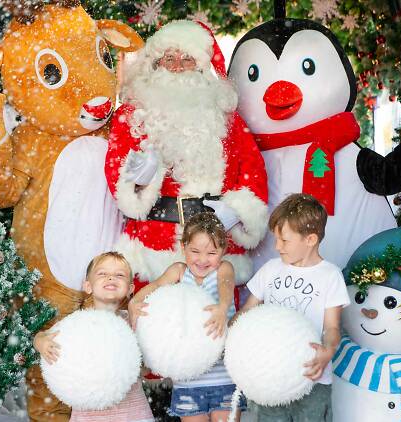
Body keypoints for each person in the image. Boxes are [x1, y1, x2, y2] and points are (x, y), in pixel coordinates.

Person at [104, 20, 268, 292]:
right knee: (155, 323)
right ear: (157, 64)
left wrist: (237, 211)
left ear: (202, 66)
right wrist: (141, 176)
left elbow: (253, 173)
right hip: (153, 244)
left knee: (214, 325)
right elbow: (117, 173)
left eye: (187, 59)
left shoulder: (229, 119)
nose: (178, 67)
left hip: (215, 248)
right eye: (169, 58)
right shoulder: (131, 117)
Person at [231, 194, 350, 421]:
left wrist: (328, 352)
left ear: (310, 239)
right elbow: (246, 313)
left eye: (284, 241)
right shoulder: (270, 269)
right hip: (269, 376)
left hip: (312, 378)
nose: (277, 247)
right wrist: (231, 329)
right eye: (276, 239)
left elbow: (333, 328)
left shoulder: (330, 275)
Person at [128, 212, 247, 422]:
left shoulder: (223, 269)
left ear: (223, 251)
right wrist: (134, 302)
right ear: (183, 248)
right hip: (188, 380)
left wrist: (222, 307)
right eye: (195, 251)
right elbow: (154, 287)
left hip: (224, 377)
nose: (202, 259)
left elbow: (226, 286)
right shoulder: (179, 272)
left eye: (211, 252)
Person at [34, 252, 154, 422]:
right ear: (88, 286)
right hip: (88, 415)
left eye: (119, 275)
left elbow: (148, 365)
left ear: (130, 289)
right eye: (102, 274)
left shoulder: (133, 320)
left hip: (133, 413)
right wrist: (41, 342)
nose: (111, 278)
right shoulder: (76, 324)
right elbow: (42, 336)